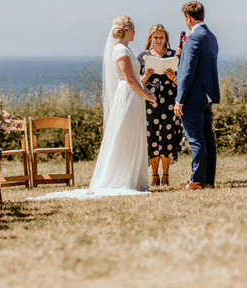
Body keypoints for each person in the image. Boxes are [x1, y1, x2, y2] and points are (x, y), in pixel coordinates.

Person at [28, 16, 156, 200]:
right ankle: (121, 178)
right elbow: (129, 79)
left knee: (134, 134)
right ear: (128, 30)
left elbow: (136, 78)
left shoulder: (126, 49)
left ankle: (134, 177)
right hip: (127, 95)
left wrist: (146, 94)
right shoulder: (120, 50)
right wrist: (146, 95)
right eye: (134, 28)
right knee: (125, 133)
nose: (136, 31)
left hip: (134, 96)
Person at [174, 1, 220, 190]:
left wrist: (179, 100)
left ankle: (197, 180)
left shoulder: (193, 38)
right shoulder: (211, 36)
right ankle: (208, 180)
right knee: (208, 138)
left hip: (193, 96)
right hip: (207, 95)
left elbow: (187, 72)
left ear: (188, 17)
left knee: (195, 139)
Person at [137, 24, 183, 186]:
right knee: (152, 136)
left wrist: (173, 78)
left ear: (166, 39)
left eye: (161, 37)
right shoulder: (143, 56)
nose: (158, 40)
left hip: (170, 100)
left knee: (168, 135)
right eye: (155, 37)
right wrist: (145, 76)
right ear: (150, 38)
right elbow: (138, 83)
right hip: (150, 100)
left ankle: (166, 175)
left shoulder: (174, 55)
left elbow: (183, 82)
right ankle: (155, 175)